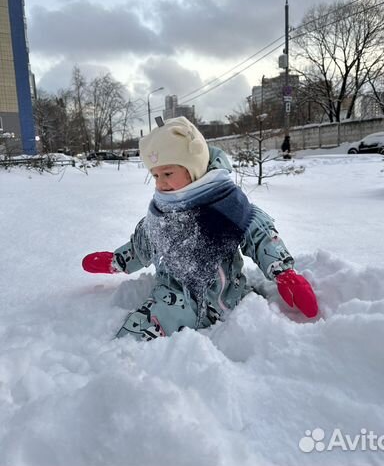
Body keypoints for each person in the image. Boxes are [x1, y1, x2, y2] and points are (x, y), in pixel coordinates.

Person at [82, 117, 318, 341]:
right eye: (154, 175)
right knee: (133, 339)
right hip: (175, 298)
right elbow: (143, 243)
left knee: (259, 323)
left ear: (193, 168)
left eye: (167, 173)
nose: (160, 183)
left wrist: (285, 273)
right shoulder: (160, 212)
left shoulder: (227, 204)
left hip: (230, 297)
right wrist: (117, 261)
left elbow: (260, 236)